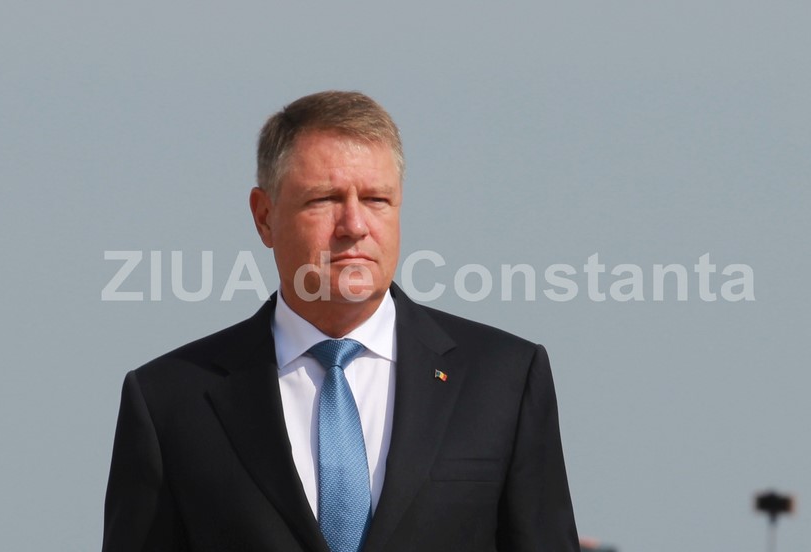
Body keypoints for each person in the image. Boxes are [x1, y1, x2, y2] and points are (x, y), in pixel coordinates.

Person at [103, 91, 579, 552]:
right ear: (264, 216)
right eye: (325, 199)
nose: (354, 225)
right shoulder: (169, 401)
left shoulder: (504, 379)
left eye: (376, 199)